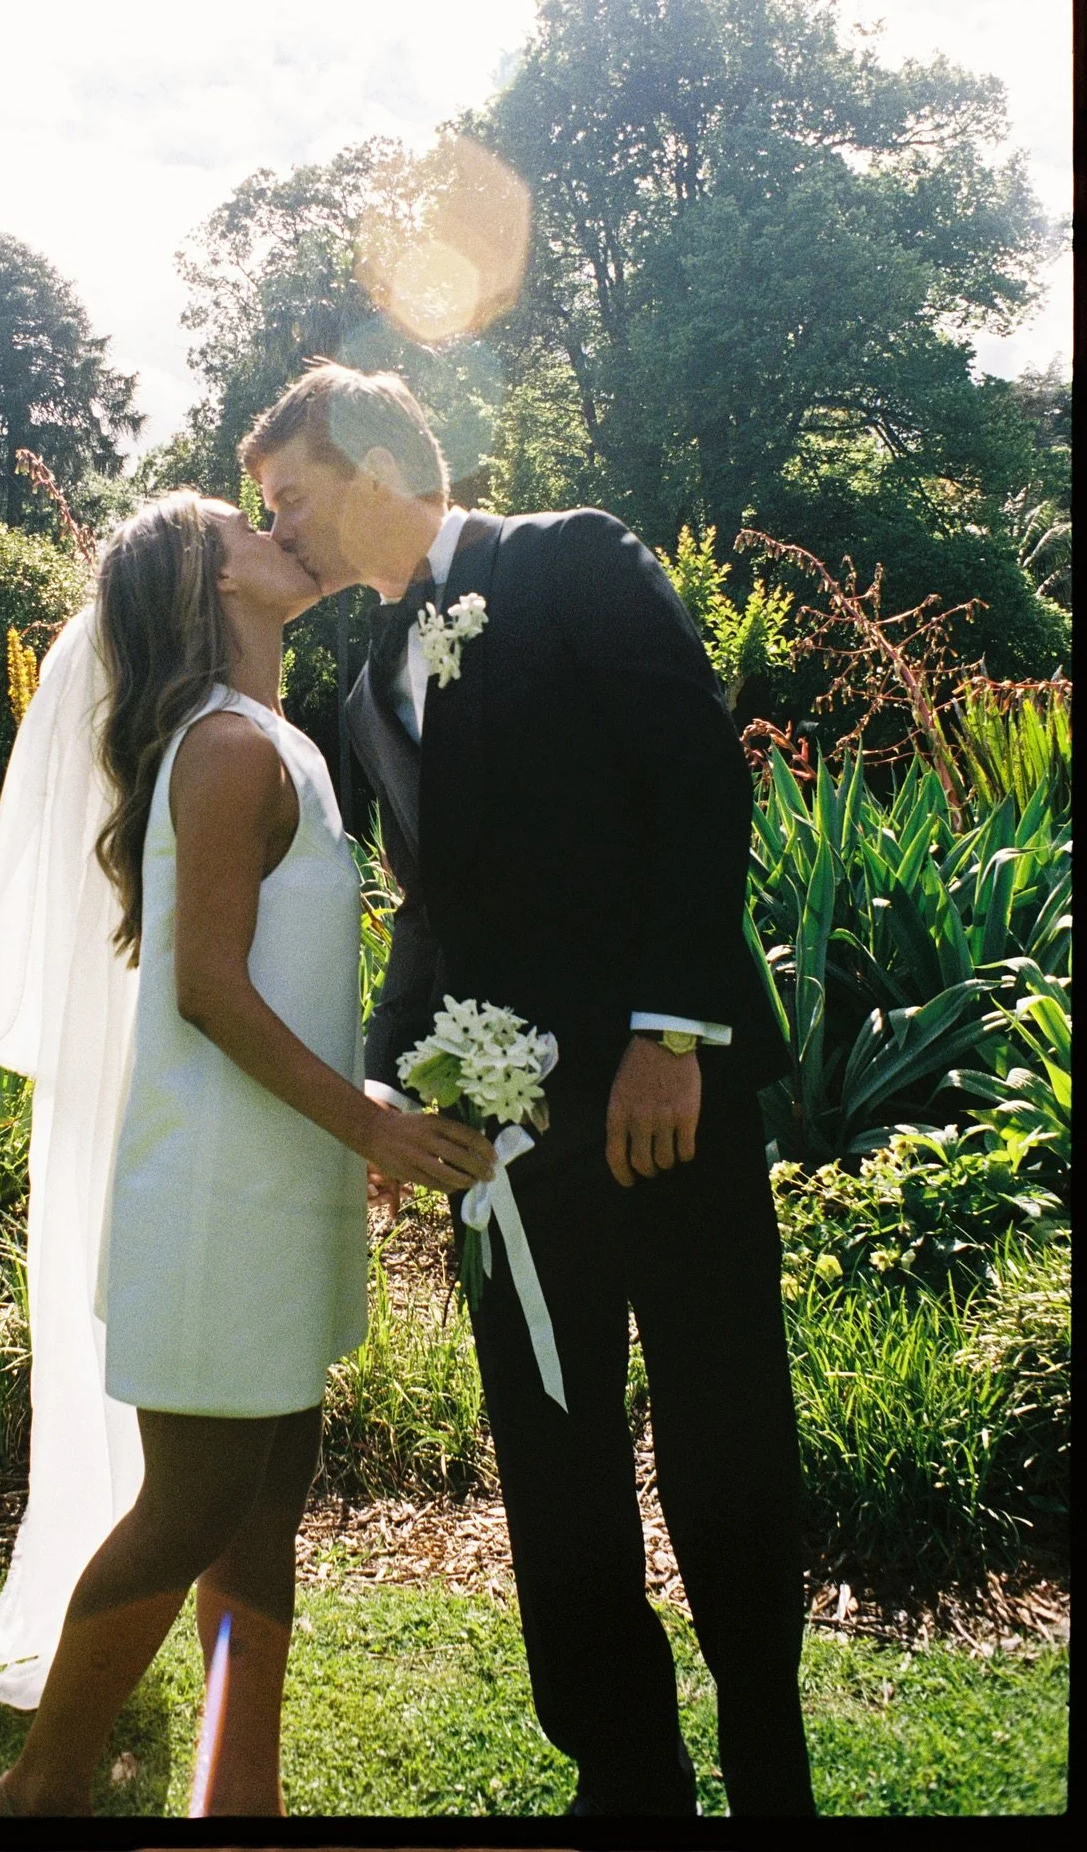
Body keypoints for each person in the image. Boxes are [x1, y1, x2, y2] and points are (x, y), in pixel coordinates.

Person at [240, 364, 816, 1818]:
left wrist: (671, 1037)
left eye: (290, 498)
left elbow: (698, 784)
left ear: (370, 463)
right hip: (496, 1140)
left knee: (723, 1430)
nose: (284, 529)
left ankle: (768, 1759)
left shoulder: (570, 559)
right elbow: (427, 909)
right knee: (550, 1455)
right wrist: (388, 1088)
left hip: (661, 1106)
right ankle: (625, 1772)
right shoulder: (368, 675)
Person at [0, 491, 495, 1817]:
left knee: (262, 1502)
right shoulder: (226, 750)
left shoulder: (267, 739)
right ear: (211, 590)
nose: (281, 532)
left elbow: (280, 986)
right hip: (212, 1201)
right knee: (192, 1505)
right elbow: (208, 990)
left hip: (273, 1179)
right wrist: (368, 1121)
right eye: (241, 529)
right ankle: (39, 1791)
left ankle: (238, 1800)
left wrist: (356, 1098)